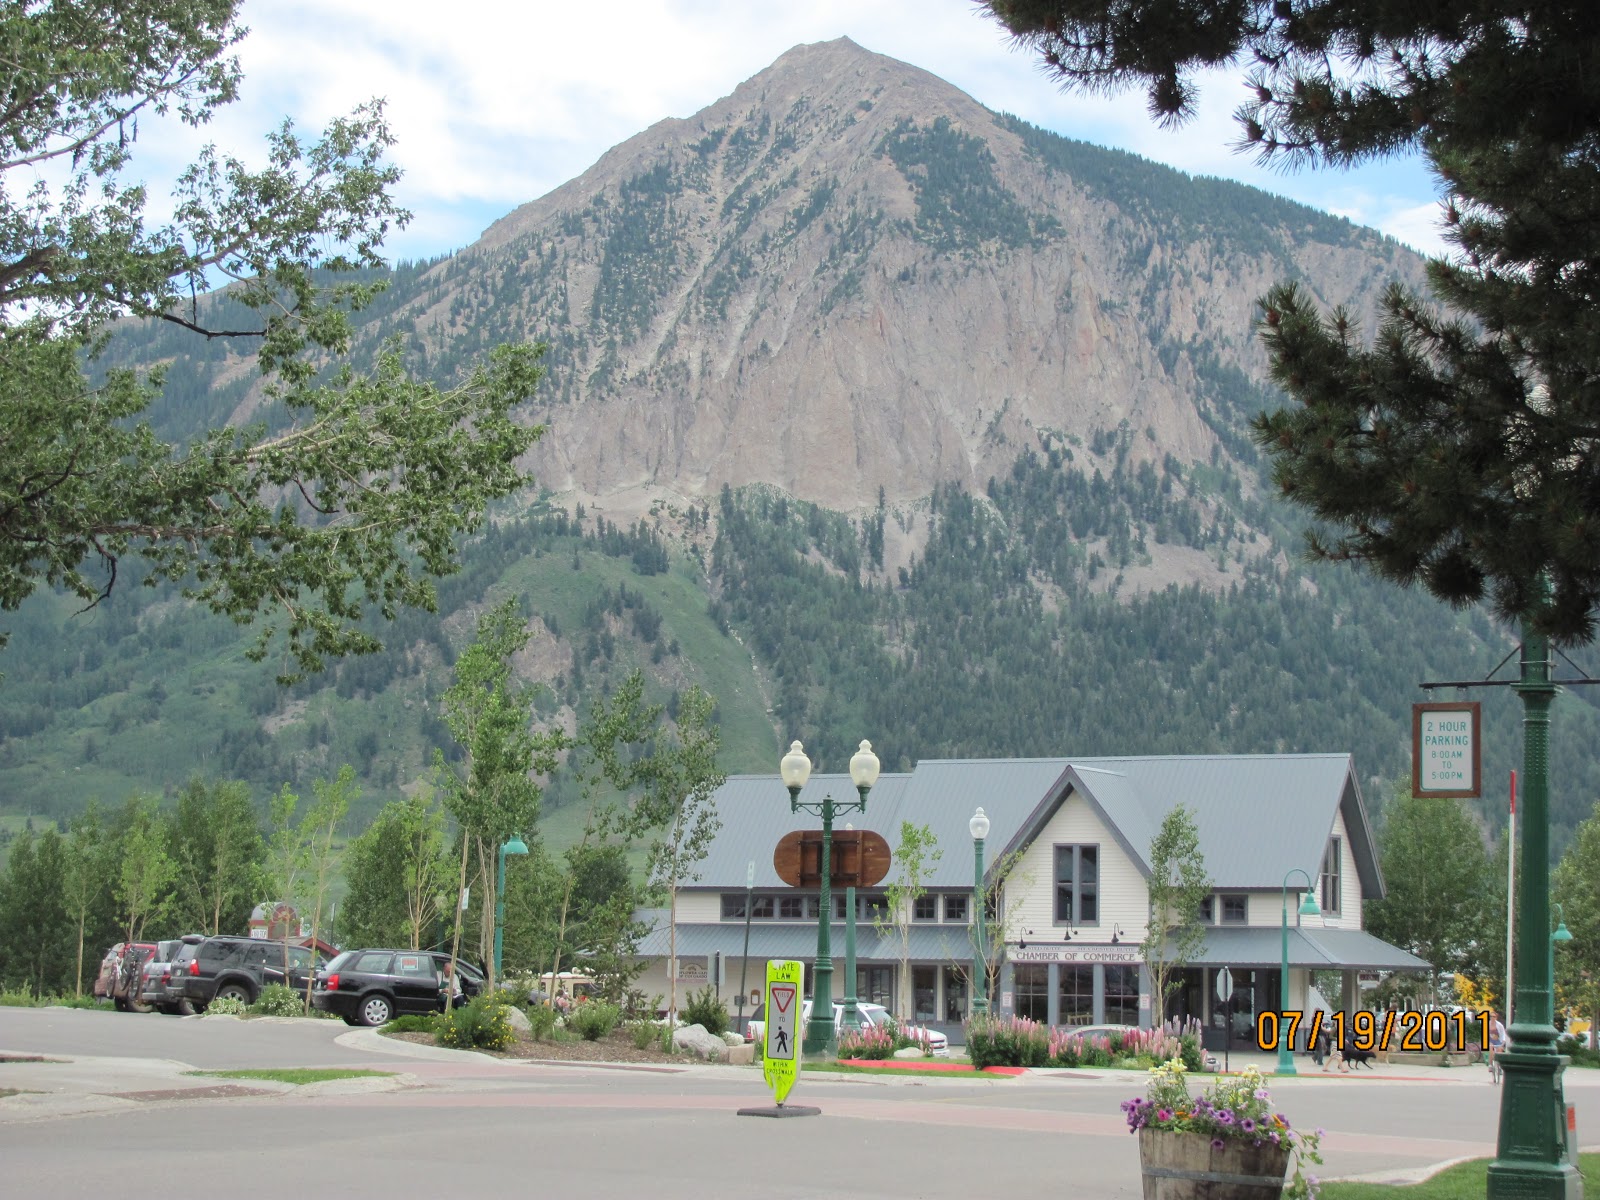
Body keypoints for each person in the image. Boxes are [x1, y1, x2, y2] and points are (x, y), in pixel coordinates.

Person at [1488, 1010, 1507, 1083]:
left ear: (1496, 1017)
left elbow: (1503, 1034)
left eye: (1494, 1016)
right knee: (1491, 1049)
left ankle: (1500, 1067)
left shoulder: (1499, 1025)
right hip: (1490, 1041)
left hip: (1498, 1040)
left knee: (1500, 1050)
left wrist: (1503, 1042)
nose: (1492, 1018)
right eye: (1491, 1016)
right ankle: (1490, 1065)